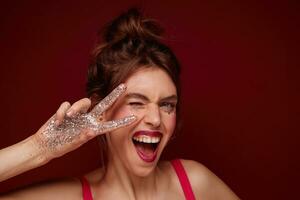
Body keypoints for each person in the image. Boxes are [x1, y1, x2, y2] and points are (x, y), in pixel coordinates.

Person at [0, 8, 240, 200]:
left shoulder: (196, 184)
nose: (156, 119)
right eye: (136, 102)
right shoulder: (68, 196)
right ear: (101, 111)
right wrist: (39, 148)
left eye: (167, 105)